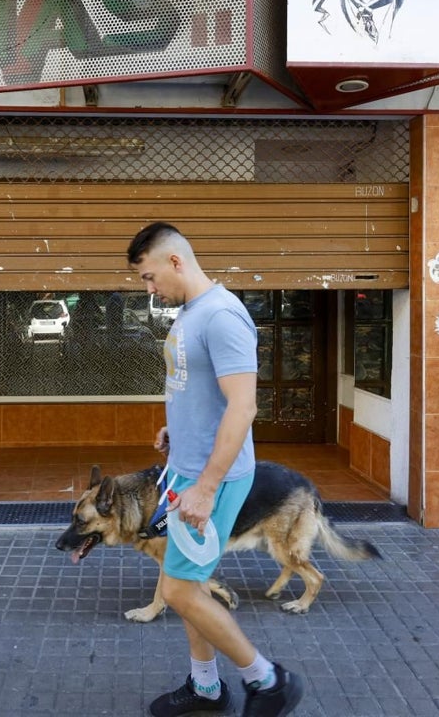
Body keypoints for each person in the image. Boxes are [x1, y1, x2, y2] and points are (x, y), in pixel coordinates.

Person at [126, 222, 304, 717]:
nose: (149, 288)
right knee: (192, 585)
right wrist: (175, 430)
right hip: (187, 469)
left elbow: (242, 407)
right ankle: (206, 686)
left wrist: (205, 488)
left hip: (214, 480)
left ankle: (267, 680)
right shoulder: (191, 312)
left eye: (149, 276)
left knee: (178, 588)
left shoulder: (223, 316)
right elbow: (196, 387)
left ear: (175, 262)